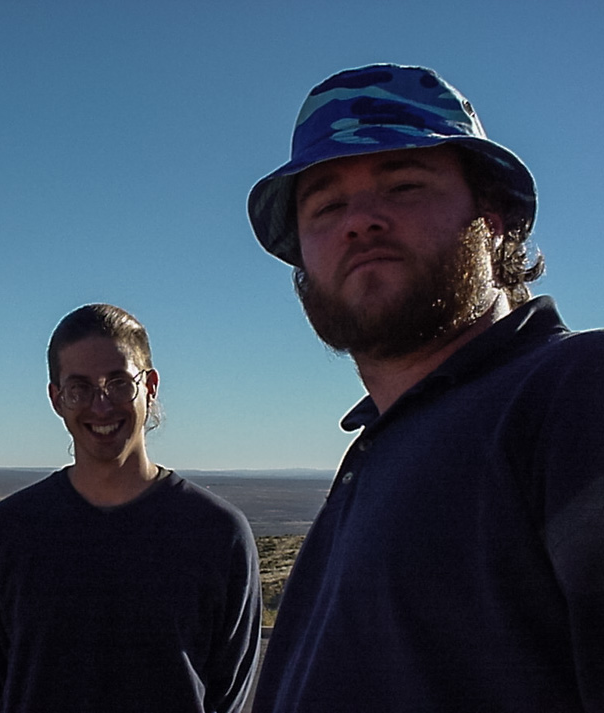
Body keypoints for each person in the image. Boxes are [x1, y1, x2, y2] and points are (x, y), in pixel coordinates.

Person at [245, 63, 604, 712]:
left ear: (491, 215)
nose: (360, 221)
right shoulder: (380, 452)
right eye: (326, 205)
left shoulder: (575, 395)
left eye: (404, 184)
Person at [0, 303, 261, 713]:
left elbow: (225, 696)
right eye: (79, 388)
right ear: (56, 399)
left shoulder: (217, 533)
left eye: (119, 383)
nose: (101, 406)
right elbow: (4, 685)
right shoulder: (7, 533)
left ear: (151, 385)